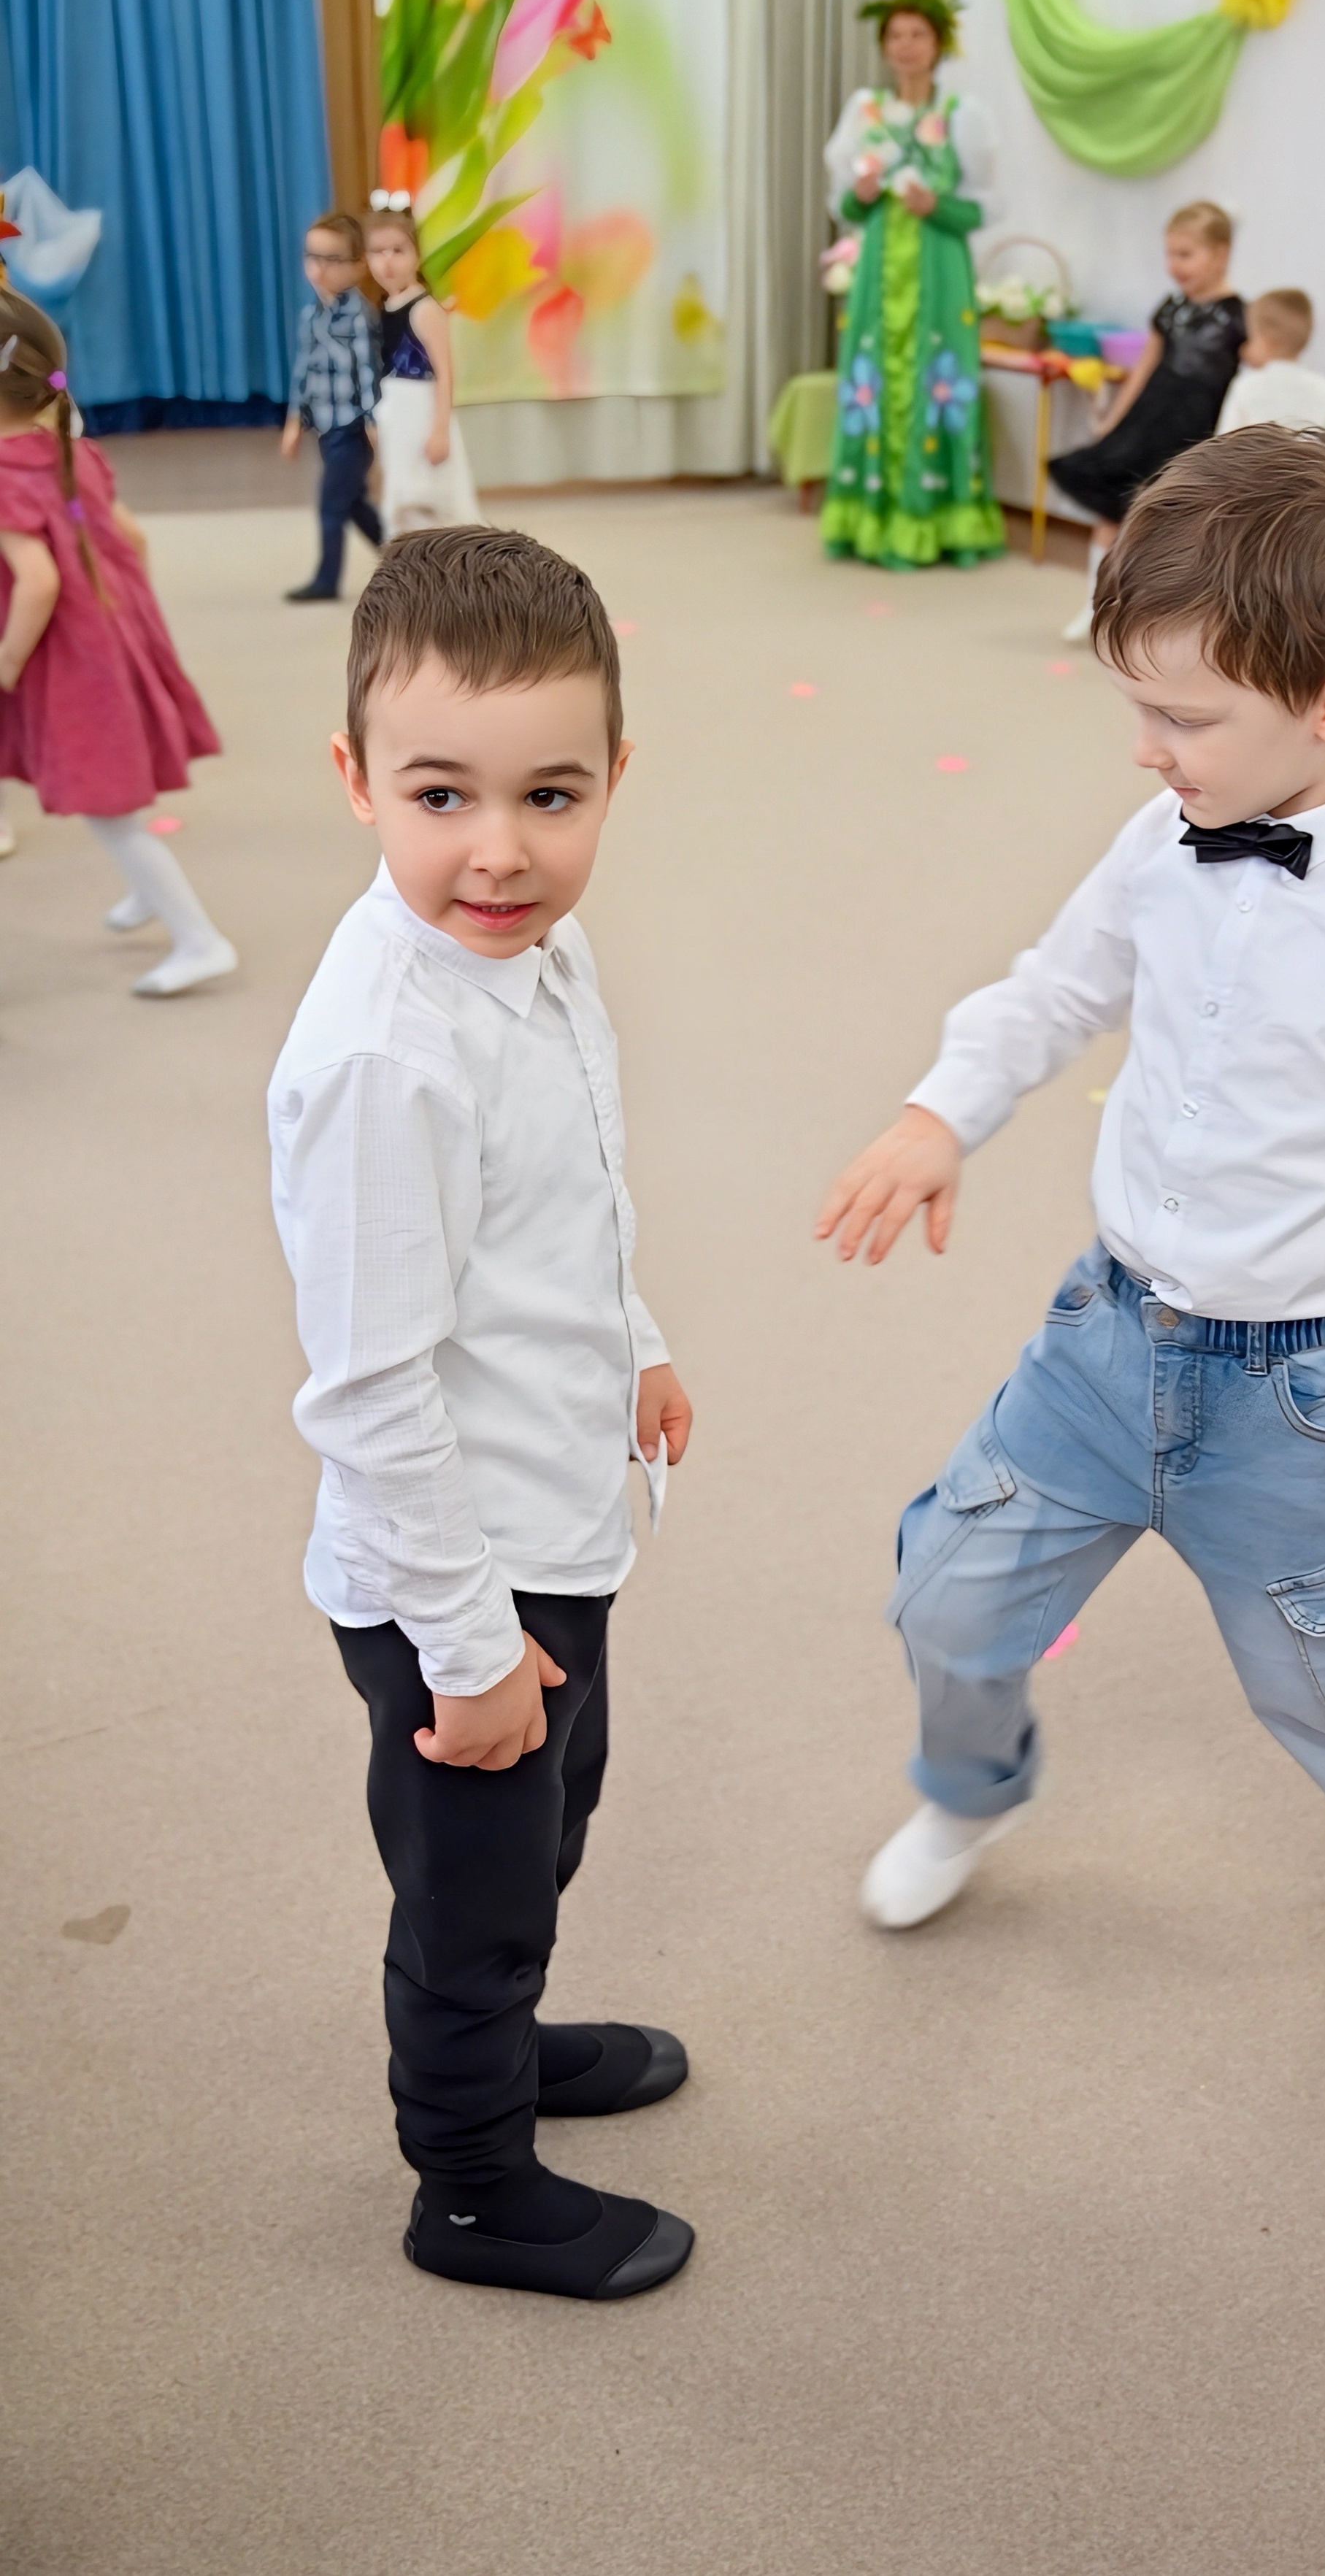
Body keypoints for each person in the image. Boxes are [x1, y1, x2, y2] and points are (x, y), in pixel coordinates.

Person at [817, 428, 1325, 2045]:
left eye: (1180, 718)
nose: (1147, 752)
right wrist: (938, 1110)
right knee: (944, 1598)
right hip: (1102, 1341)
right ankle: (973, 1788)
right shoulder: (1163, 838)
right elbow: (1056, 987)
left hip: (1304, 1397)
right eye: (1136, 710)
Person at [267, 528, 696, 2299]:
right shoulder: (386, 1050)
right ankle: (465, 2172)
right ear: (356, 778)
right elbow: (369, 1384)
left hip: (550, 1507)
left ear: (614, 777)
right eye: (440, 793)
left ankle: (509, 2034)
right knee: (471, 1889)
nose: (499, 848)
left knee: (556, 1809)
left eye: (551, 791)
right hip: (458, 1564)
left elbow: (566, 1203)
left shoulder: (533, 950)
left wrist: (634, 1337)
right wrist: (465, 1649)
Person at [0, 287, 237, 995]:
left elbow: (37, 581)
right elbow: (128, 538)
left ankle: (200, 940)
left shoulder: (5, 476)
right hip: (111, 637)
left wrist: (9, 660)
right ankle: (146, 892)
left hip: (71, 659)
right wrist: (124, 622)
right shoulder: (72, 453)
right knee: (118, 793)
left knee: (109, 813)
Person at [820, 0, 1005, 569]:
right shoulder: (864, 112)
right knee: (873, 378)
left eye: (917, 34)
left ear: (939, 43)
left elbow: (989, 205)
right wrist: (862, 194)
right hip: (878, 270)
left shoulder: (962, 117)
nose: (906, 46)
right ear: (884, 44)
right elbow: (843, 206)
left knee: (940, 379)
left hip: (939, 268)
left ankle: (940, 518)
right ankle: (870, 518)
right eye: (895, 35)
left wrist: (939, 208)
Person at [1052, 203, 1247, 642]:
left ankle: (1171, 619)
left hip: (1195, 431)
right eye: (1170, 254)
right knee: (1111, 508)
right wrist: (1113, 421)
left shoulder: (1240, 318)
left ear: (1220, 254)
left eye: (1185, 255)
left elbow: (1250, 381)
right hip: (1148, 422)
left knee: (1179, 525)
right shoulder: (1169, 310)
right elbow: (1144, 369)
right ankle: (1093, 606)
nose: (1173, 266)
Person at [362, 209, 480, 537]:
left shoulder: (425, 309)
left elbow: (445, 373)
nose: (388, 262)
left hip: (422, 413)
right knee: (402, 497)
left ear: (416, 255)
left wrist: (440, 430)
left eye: (398, 251)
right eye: (378, 252)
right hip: (396, 415)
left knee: (434, 499)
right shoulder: (384, 307)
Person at [282, 212, 380, 603]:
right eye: (312, 257)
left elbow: (369, 373)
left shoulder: (359, 317)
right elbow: (303, 374)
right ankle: (401, 557)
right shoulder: (311, 316)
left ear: (358, 266)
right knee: (354, 503)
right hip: (326, 426)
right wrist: (294, 423)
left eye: (332, 260)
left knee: (332, 504)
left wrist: (374, 425)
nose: (318, 268)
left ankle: (326, 580)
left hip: (352, 428)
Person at [1217, 290, 1325, 466]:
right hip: (1314, 486)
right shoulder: (1324, 389)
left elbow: (1222, 449)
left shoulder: (1245, 387)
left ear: (1266, 341)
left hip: (1257, 488)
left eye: (1251, 338)